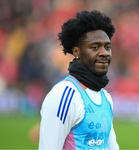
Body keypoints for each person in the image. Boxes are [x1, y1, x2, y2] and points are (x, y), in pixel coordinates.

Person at [39, 10, 119, 150]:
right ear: (76, 52)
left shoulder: (105, 97)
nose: (104, 53)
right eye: (95, 47)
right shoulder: (63, 95)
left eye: (107, 47)